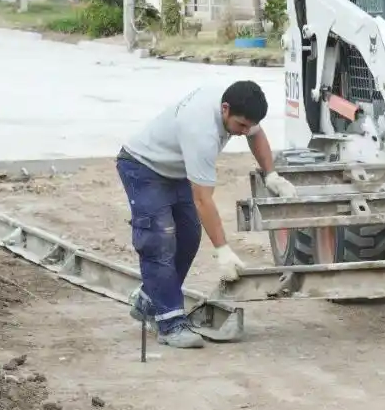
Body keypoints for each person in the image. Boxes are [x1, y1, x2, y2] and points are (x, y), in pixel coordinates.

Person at [116, 80, 297, 349]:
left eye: (248, 125)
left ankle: (149, 299)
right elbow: (203, 199)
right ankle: (169, 324)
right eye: (240, 126)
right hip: (143, 167)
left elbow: (256, 134)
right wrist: (223, 250)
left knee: (189, 236)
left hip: (176, 169)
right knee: (159, 239)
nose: (243, 132)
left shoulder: (238, 102)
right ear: (225, 109)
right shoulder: (201, 131)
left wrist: (270, 174)